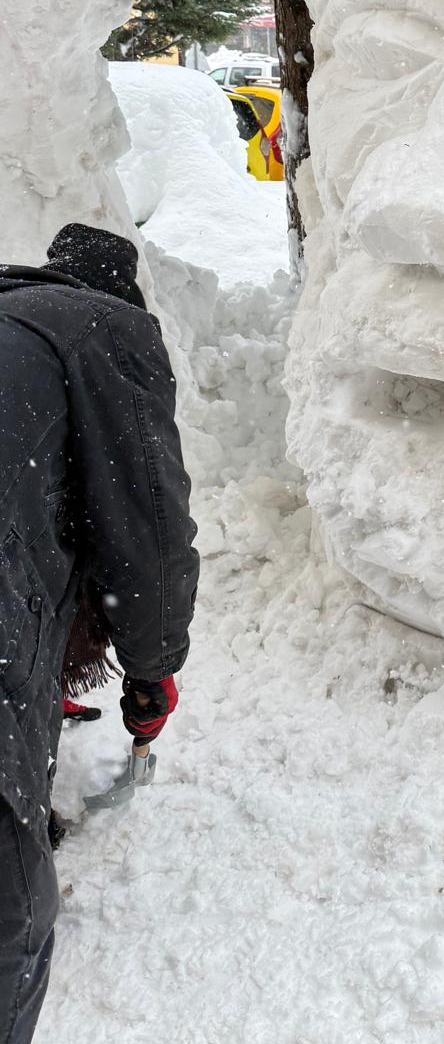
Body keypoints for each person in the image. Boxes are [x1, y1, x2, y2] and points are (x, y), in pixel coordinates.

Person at [0, 224, 198, 1044]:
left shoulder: (19, 324)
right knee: (11, 916)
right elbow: (147, 531)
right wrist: (152, 670)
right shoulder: (106, 328)